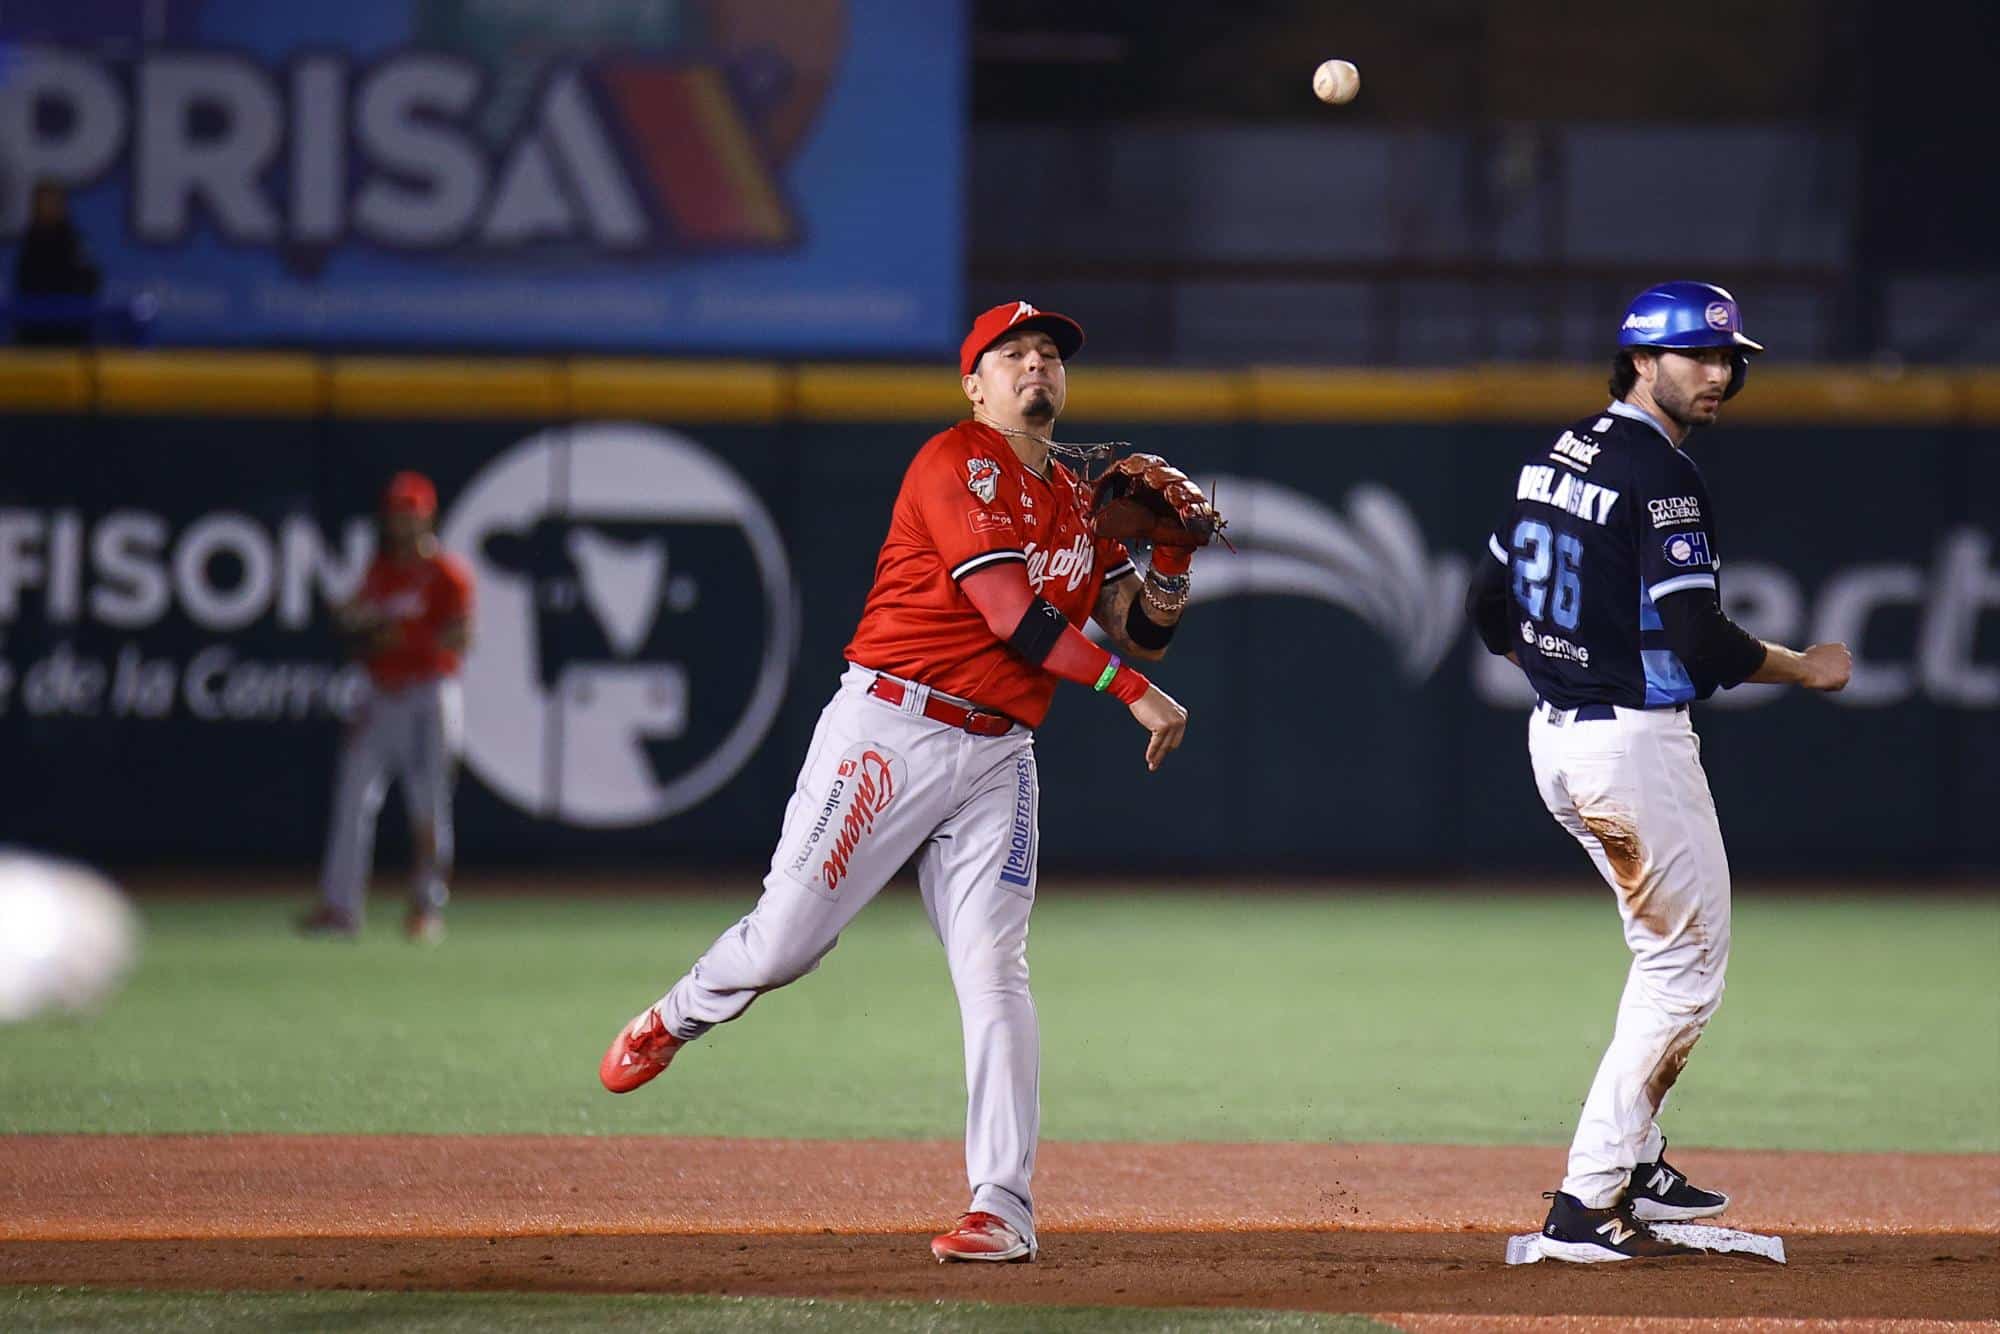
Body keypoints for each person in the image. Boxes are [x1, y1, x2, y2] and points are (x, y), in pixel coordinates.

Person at [598, 301, 1203, 1264]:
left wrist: (1167, 561)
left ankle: (1001, 1205)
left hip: (999, 754)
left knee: (994, 968)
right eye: (1015, 355)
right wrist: (1133, 692)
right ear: (976, 382)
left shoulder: (1077, 507)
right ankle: (676, 1014)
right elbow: (1011, 614)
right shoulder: (954, 463)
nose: (1037, 365)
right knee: (785, 944)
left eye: (1051, 354)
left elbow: (1137, 627)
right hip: (890, 730)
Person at [1464, 281, 1852, 1262]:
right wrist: (1800, 665)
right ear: (1640, 358)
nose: (1716, 373)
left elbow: (1485, 602)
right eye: (1696, 354)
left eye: (1727, 359)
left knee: (1665, 957)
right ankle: (1587, 1199)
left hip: (1558, 738)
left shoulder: (1550, 455)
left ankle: (1633, 1164)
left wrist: (1551, 664)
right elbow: (1701, 637)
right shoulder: (1659, 476)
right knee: (1682, 969)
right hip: (1629, 743)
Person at [300, 472, 475, 943]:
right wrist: (360, 626)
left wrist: (402, 634)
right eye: (396, 511)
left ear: (427, 515)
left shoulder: (447, 572)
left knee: (428, 803)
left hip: (429, 692)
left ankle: (426, 906)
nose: (401, 520)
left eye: (410, 512)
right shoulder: (380, 570)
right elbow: (354, 622)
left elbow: (462, 637)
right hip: (381, 694)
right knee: (352, 799)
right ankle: (340, 908)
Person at [11, 181, 102, 346]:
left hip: (71, 333)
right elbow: (23, 283)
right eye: (44, 202)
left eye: (53, 201)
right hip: (34, 334)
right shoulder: (30, 241)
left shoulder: (73, 241)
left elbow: (92, 280)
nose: (49, 207)